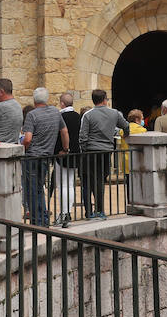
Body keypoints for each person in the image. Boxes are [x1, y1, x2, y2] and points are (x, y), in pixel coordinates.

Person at [20, 87, 68, 227]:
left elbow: (28, 139)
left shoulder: (32, 115)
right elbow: (64, 131)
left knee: (31, 190)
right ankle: (43, 218)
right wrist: (65, 149)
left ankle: (38, 221)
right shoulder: (55, 112)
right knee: (39, 188)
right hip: (47, 156)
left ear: (34, 100)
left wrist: (21, 146)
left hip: (32, 157)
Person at [79, 89, 128, 219]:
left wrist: (84, 151)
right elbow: (126, 126)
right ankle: (100, 210)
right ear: (105, 99)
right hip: (106, 151)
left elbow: (83, 136)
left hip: (90, 151)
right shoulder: (114, 113)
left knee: (88, 181)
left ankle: (89, 211)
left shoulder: (88, 115)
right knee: (101, 180)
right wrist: (126, 137)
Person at [54, 92, 81, 225]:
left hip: (63, 154)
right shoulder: (78, 117)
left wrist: (60, 150)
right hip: (76, 154)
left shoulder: (60, 116)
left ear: (62, 103)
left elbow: (58, 136)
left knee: (62, 185)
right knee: (70, 184)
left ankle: (64, 214)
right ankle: (67, 212)